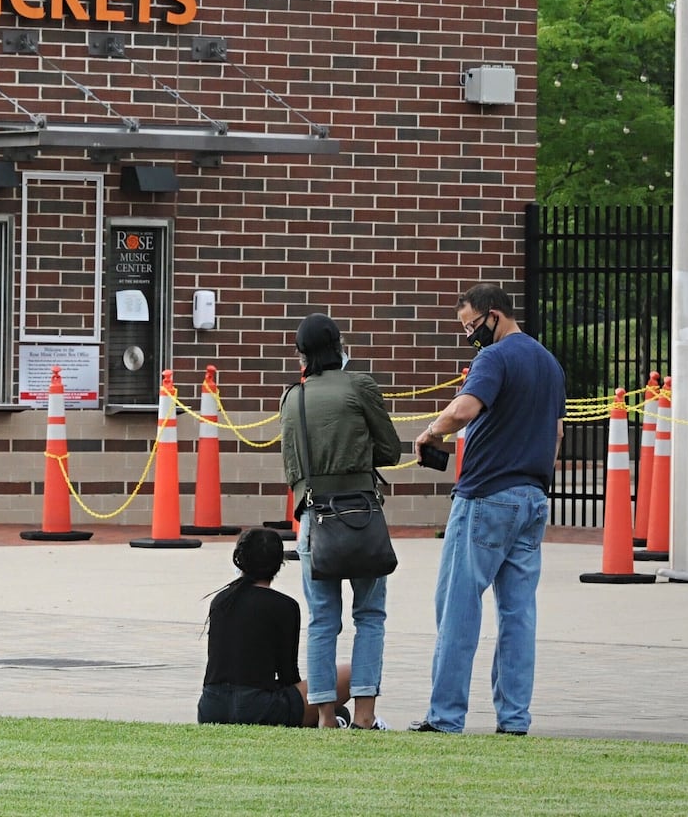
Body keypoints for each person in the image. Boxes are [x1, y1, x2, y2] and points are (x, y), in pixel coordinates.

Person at [411, 284, 565, 735]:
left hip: (485, 496)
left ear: (493, 316)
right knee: (518, 614)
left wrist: (430, 433)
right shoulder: (549, 363)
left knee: (458, 606)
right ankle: (514, 719)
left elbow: (464, 408)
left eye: (471, 326)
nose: (469, 336)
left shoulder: (494, 359)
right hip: (533, 498)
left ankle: (445, 718)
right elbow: (556, 435)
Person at [279, 313, 399, 730]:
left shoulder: (294, 397)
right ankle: (365, 716)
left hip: (315, 518)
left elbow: (292, 469)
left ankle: (327, 717)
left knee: (322, 621)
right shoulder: (360, 384)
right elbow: (390, 449)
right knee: (370, 615)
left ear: (301, 355)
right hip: (362, 514)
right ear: (339, 345)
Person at [198, 528, 352, 727]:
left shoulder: (222, 600)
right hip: (258, 707)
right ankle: (328, 719)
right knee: (350, 673)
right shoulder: (285, 606)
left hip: (211, 706)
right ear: (279, 563)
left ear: (239, 559)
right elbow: (288, 674)